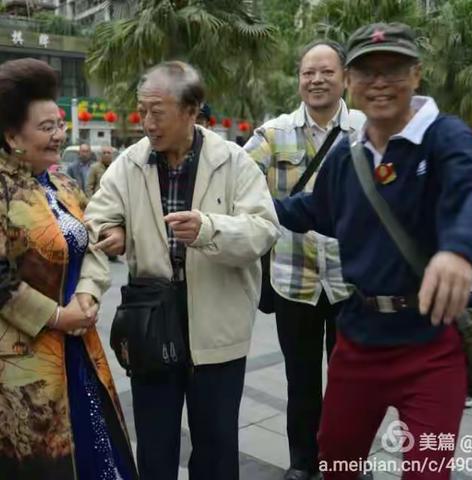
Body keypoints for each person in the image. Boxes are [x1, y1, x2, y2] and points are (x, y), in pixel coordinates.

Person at [274, 23, 472, 480]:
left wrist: (459, 251)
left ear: (416, 75)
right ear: (351, 81)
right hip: (359, 341)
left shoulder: (446, 137)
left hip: (431, 345)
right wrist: (254, 210)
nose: (380, 82)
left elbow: (471, 191)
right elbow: (313, 210)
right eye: (367, 71)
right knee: (337, 461)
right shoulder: (348, 158)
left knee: (428, 470)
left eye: (394, 69)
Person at [76, 60, 279, 480]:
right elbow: (93, 218)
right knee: (154, 445)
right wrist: (113, 230)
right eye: (142, 110)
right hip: (151, 326)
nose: (147, 122)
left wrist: (208, 228)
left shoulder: (234, 162)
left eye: (157, 111)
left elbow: (264, 230)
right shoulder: (130, 163)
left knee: (217, 446)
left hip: (218, 329)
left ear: (191, 110)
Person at [0, 58, 137, 479]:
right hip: (25, 361)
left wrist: (88, 295)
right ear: (11, 136)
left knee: (98, 448)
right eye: (46, 128)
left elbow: (93, 245)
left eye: (59, 124)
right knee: (45, 460)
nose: (60, 135)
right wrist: (59, 317)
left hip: (81, 345)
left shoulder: (65, 185)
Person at [244, 40, 364, 480]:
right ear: (299, 78)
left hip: (353, 282)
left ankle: (346, 461)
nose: (316, 80)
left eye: (326, 71)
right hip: (293, 279)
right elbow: (237, 175)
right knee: (301, 381)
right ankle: (302, 462)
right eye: (307, 72)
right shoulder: (273, 134)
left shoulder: (367, 131)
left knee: (351, 383)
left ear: (345, 77)